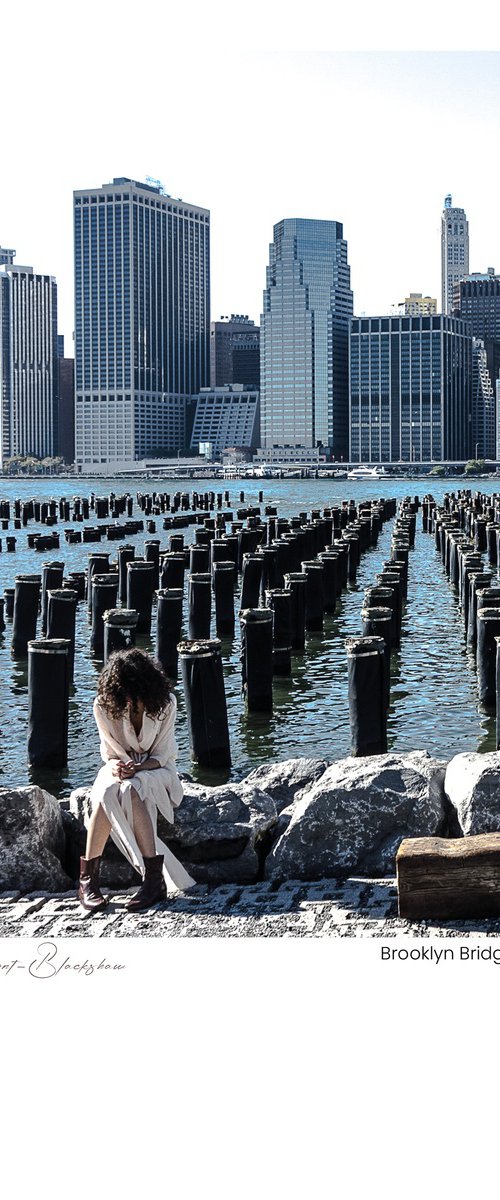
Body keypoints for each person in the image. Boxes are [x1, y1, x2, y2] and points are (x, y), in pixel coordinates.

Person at [78, 647, 194, 913]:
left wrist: (138, 768)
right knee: (107, 790)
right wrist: (121, 766)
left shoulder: (166, 703)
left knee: (133, 788)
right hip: (118, 765)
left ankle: (153, 881)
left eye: (134, 693)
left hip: (158, 770)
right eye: (124, 693)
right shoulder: (104, 705)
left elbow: (163, 755)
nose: (129, 699)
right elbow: (110, 752)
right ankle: (87, 881)